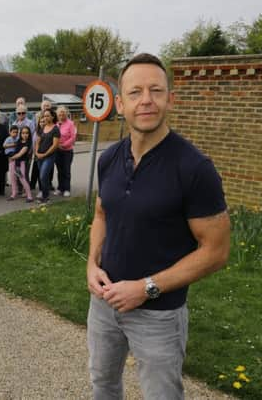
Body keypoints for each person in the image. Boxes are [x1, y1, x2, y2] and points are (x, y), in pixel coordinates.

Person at [86, 53, 230, 400]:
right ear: (120, 104)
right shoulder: (108, 159)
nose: (146, 99)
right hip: (104, 305)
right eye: (135, 92)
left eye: (156, 90)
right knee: (103, 385)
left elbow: (216, 251)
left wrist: (146, 288)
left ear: (170, 99)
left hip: (159, 316)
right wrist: (92, 264)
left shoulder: (194, 168)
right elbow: (102, 215)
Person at [34, 109, 59, 204]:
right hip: (39, 156)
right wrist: (36, 152)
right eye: (44, 116)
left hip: (49, 156)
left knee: (43, 175)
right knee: (43, 177)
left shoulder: (56, 129)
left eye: (48, 116)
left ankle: (46, 197)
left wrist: (44, 154)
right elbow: (37, 141)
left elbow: (55, 145)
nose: (46, 117)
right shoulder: (42, 127)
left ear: (52, 117)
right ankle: (44, 196)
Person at [53, 106, 77, 197]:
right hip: (57, 150)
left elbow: (73, 137)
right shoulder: (56, 124)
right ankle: (60, 188)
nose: (61, 115)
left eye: (63, 113)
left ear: (66, 114)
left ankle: (67, 189)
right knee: (59, 170)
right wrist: (57, 145)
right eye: (59, 113)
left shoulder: (70, 124)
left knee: (66, 170)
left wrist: (63, 145)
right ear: (57, 115)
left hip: (67, 151)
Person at [8, 126, 33, 202]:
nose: (25, 135)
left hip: (21, 163)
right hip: (13, 163)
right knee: (13, 179)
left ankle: (29, 196)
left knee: (22, 179)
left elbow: (20, 154)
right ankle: (13, 194)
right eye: (23, 133)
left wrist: (11, 158)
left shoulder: (28, 144)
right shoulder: (19, 141)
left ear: (29, 134)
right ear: (20, 134)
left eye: (26, 133)